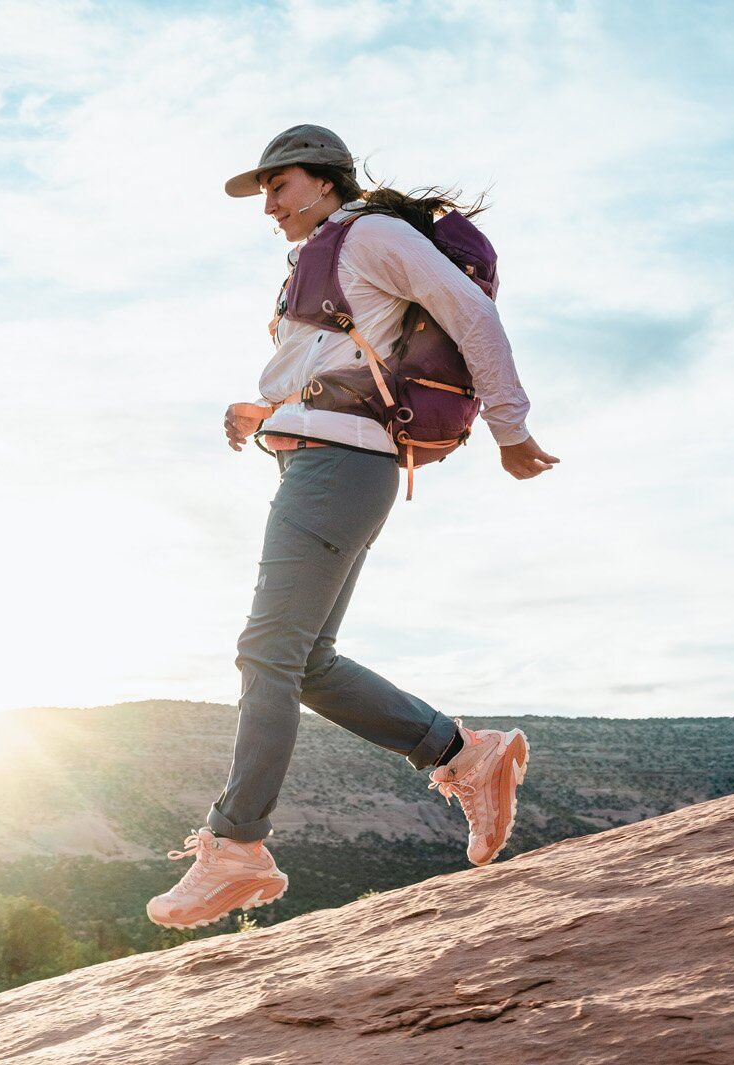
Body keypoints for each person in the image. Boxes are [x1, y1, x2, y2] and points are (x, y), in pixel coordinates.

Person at [146, 124, 561, 931]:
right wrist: (265, 411)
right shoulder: (319, 256)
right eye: (263, 191)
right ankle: (464, 755)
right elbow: (341, 368)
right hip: (316, 461)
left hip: (342, 467)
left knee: (267, 650)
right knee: (306, 662)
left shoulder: (368, 234)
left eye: (281, 184)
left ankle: (236, 846)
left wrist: (511, 431)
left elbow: (469, 312)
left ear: (329, 181)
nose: (268, 204)